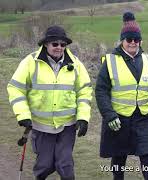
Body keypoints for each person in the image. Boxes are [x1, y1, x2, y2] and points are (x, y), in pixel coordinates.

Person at [7, 25, 92, 180]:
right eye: (55, 44)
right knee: (45, 166)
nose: (59, 47)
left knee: (65, 166)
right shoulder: (30, 62)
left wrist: (83, 117)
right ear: (46, 44)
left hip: (67, 126)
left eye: (63, 44)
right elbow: (15, 88)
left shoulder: (76, 64)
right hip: (41, 126)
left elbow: (85, 91)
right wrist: (23, 115)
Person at [95, 12, 148, 180]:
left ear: (140, 41)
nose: (133, 43)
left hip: (145, 117)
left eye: (136, 39)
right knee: (119, 157)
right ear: (122, 40)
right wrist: (109, 115)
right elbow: (101, 90)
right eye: (129, 39)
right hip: (119, 118)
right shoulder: (110, 61)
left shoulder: (147, 59)